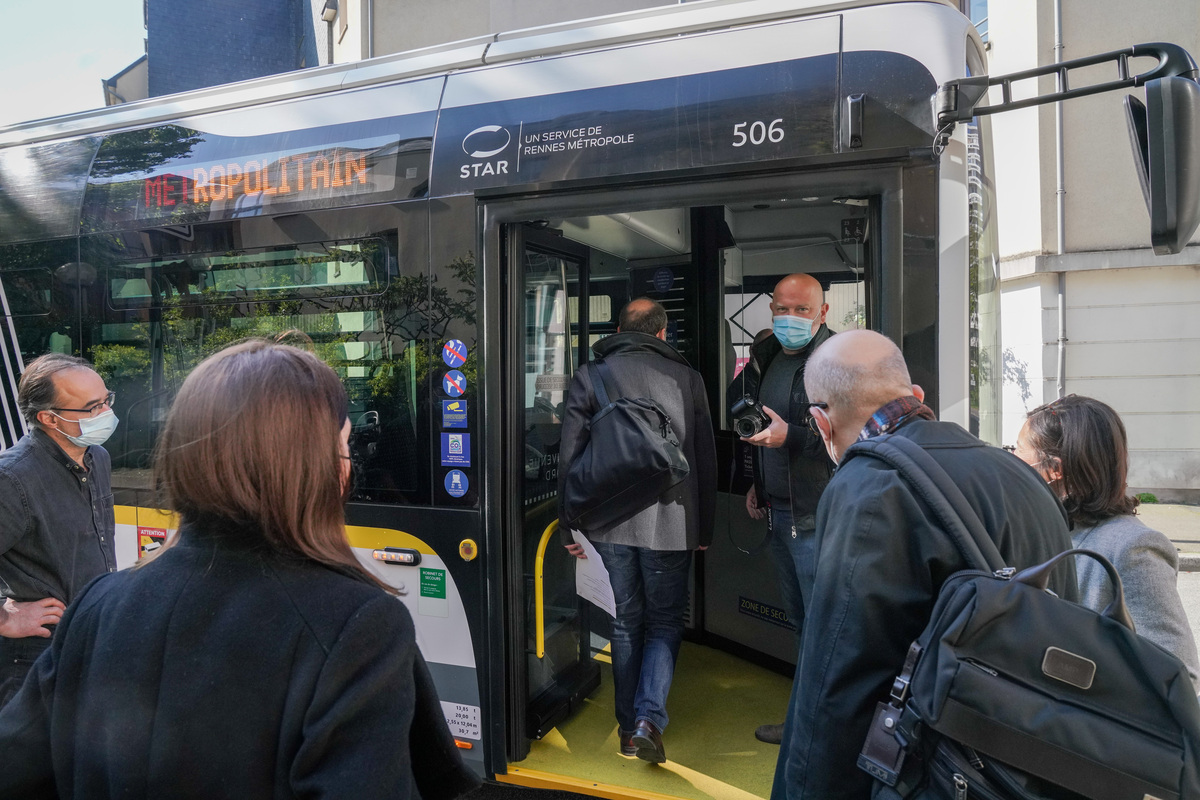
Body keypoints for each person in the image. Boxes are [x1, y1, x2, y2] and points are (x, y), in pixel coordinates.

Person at [0, 339, 480, 800]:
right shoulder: (357, 627)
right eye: (344, 446)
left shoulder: (96, 606)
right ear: (312, 467)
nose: (348, 464)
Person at [771, 330, 1077, 800]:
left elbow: (840, 678)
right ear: (916, 395)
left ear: (820, 422)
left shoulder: (867, 487)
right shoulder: (1019, 474)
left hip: (938, 774)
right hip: (1031, 766)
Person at [559, 298, 717, 764]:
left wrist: (569, 525)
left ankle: (628, 731)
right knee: (665, 620)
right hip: (674, 521)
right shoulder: (688, 378)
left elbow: (570, 457)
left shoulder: (592, 374)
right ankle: (650, 718)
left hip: (609, 522)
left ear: (618, 330)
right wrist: (704, 525)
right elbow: (704, 457)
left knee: (626, 620)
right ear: (663, 333)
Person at [1015, 394, 1200, 690]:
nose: (1012, 459)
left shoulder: (1133, 547)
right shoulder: (1043, 528)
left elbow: (1179, 678)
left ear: (1054, 468)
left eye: (1017, 449)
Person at [733, 273, 834, 744]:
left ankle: (817, 731)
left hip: (815, 517)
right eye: (781, 309)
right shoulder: (767, 356)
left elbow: (848, 435)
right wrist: (758, 485)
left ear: (822, 312)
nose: (789, 318)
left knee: (821, 628)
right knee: (800, 621)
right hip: (776, 510)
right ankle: (807, 721)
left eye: (801, 310)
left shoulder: (836, 360)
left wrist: (790, 436)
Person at [0, 354, 118, 709]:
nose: (106, 413)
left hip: (90, 640)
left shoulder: (97, 457)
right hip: (35, 656)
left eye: (106, 400)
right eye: (92, 407)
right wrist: (4, 619)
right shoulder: (12, 479)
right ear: (49, 418)